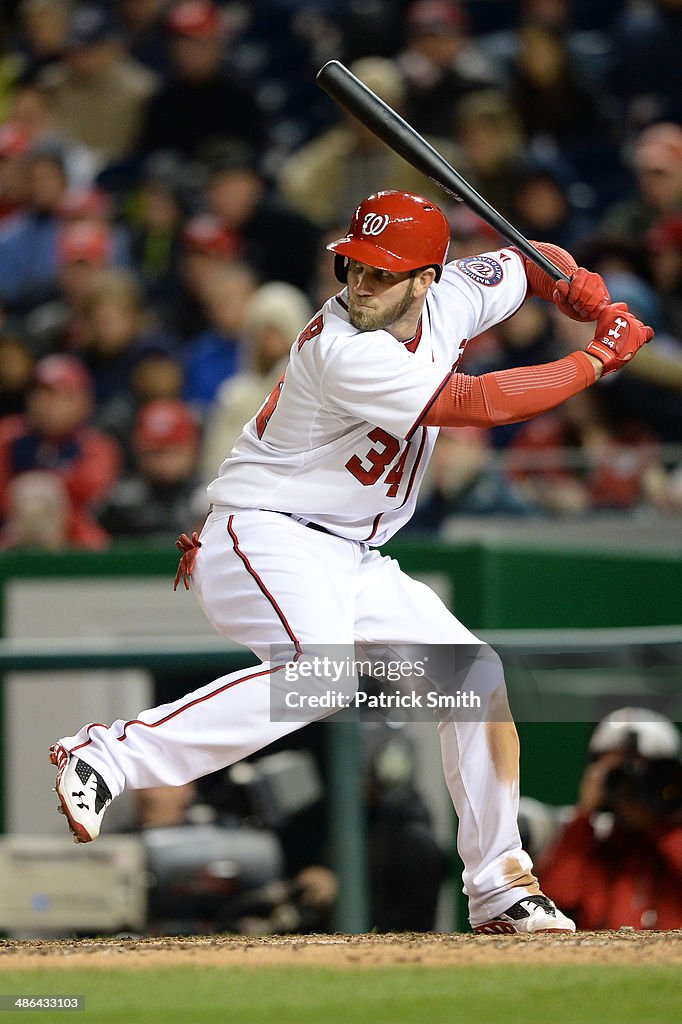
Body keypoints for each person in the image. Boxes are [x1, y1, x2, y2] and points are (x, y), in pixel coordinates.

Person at [50, 190, 653, 935]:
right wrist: (596, 355)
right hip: (263, 531)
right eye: (353, 266)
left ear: (427, 277)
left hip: (351, 552)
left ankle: (500, 884)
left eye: (380, 271)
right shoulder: (342, 346)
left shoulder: (456, 294)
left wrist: (569, 280)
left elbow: (531, 264)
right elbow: (479, 401)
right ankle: (107, 754)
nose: (360, 285)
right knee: (321, 677)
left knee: (471, 675)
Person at [538, 708, 682, 930]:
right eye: (616, 777)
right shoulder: (596, 848)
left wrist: (661, 824)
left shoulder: (674, 846)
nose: (630, 789)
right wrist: (583, 816)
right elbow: (556, 901)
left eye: (643, 776)